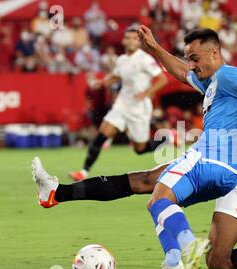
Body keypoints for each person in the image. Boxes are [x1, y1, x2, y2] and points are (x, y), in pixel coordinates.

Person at [32, 22, 237, 269]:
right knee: (148, 182)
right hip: (208, 158)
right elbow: (184, 72)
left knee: (219, 260)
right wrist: (155, 47)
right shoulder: (226, 82)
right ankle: (60, 193)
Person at [69, 25, 169, 181]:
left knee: (140, 149)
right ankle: (83, 171)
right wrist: (102, 83)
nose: (130, 41)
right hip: (122, 105)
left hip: (139, 108)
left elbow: (163, 79)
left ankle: (167, 139)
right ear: (123, 40)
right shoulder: (121, 60)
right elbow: (116, 76)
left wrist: (146, 93)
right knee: (101, 135)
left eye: (134, 39)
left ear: (139, 42)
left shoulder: (145, 59)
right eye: (127, 38)